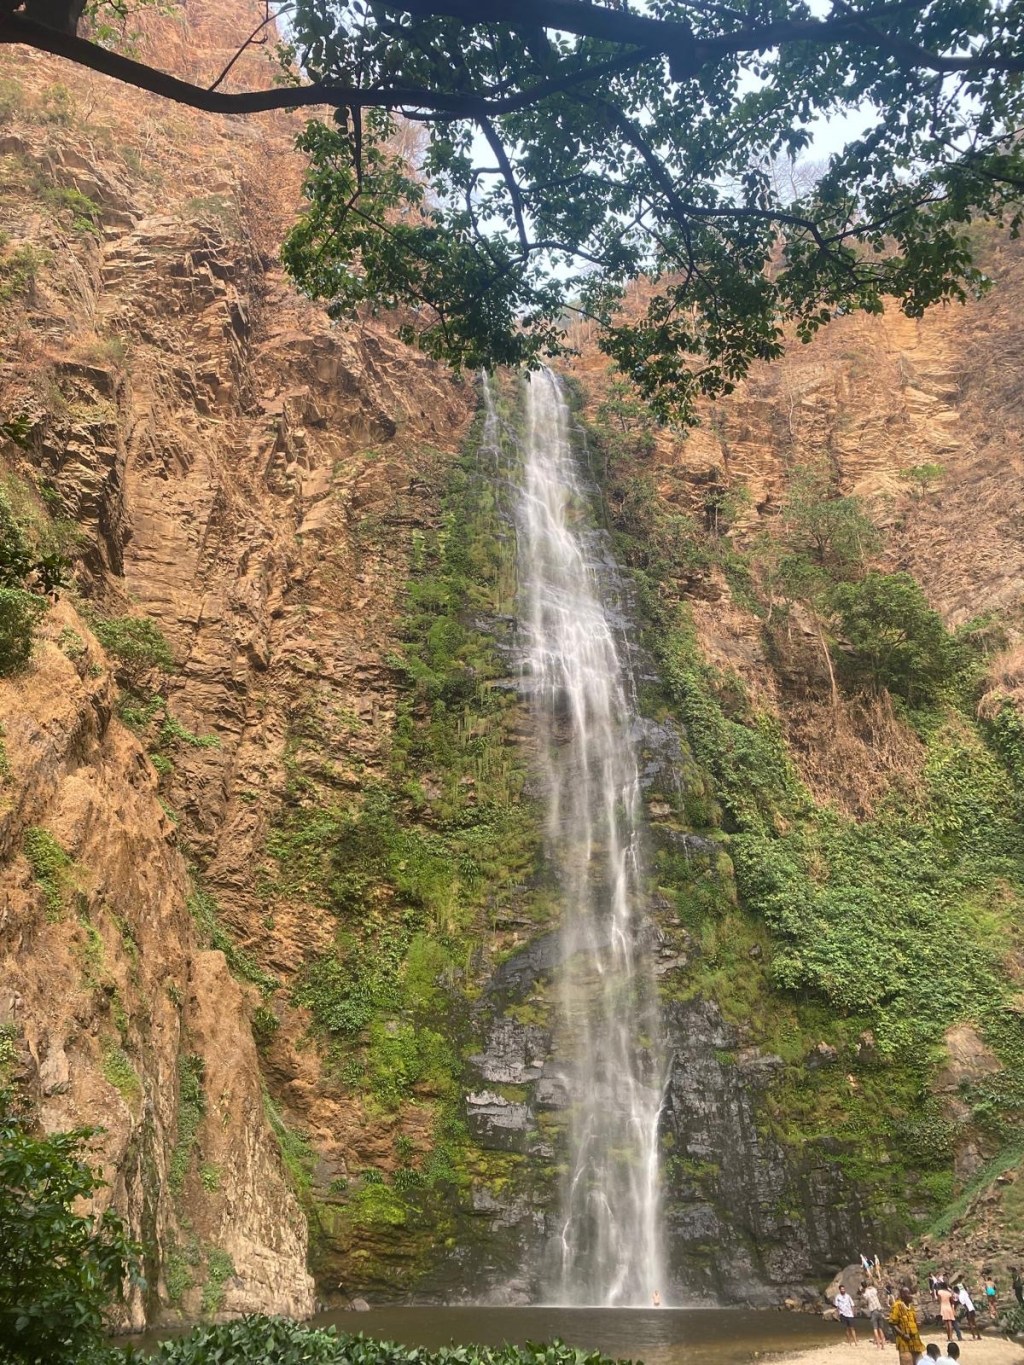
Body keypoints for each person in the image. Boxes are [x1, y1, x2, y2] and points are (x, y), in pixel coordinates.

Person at [889, 1285, 924, 1365]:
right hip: (904, 1341)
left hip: (915, 1341)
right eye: (909, 1294)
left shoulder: (911, 1307)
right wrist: (903, 1334)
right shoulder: (897, 1306)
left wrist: (918, 1325)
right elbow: (892, 1323)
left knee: (919, 1362)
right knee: (907, 1361)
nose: (911, 1296)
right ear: (903, 1295)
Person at [863, 1281, 887, 1350]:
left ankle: (878, 1346)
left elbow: (866, 1299)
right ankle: (883, 1346)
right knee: (880, 1329)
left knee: (875, 1329)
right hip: (879, 1310)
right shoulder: (873, 1289)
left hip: (873, 1311)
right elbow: (875, 1290)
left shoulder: (866, 1293)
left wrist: (864, 1290)